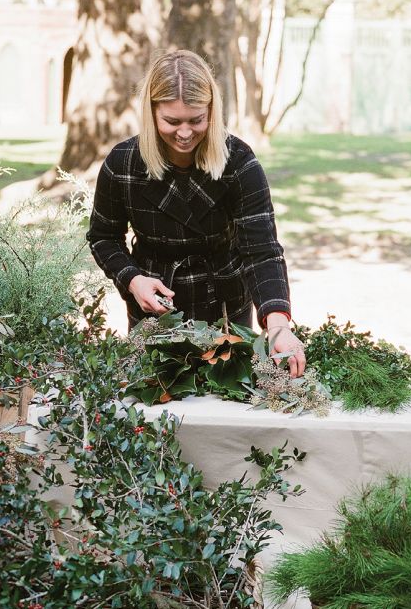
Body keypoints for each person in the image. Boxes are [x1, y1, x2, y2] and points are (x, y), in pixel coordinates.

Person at [86, 49, 305, 376]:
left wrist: (277, 324)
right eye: (172, 121)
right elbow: (104, 238)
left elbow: (261, 250)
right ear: (151, 112)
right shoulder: (122, 164)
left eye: (196, 120)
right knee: (154, 405)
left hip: (226, 309)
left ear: (212, 112)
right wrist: (133, 280)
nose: (185, 133)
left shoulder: (240, 163)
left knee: (224, 401)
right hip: (154, 313)